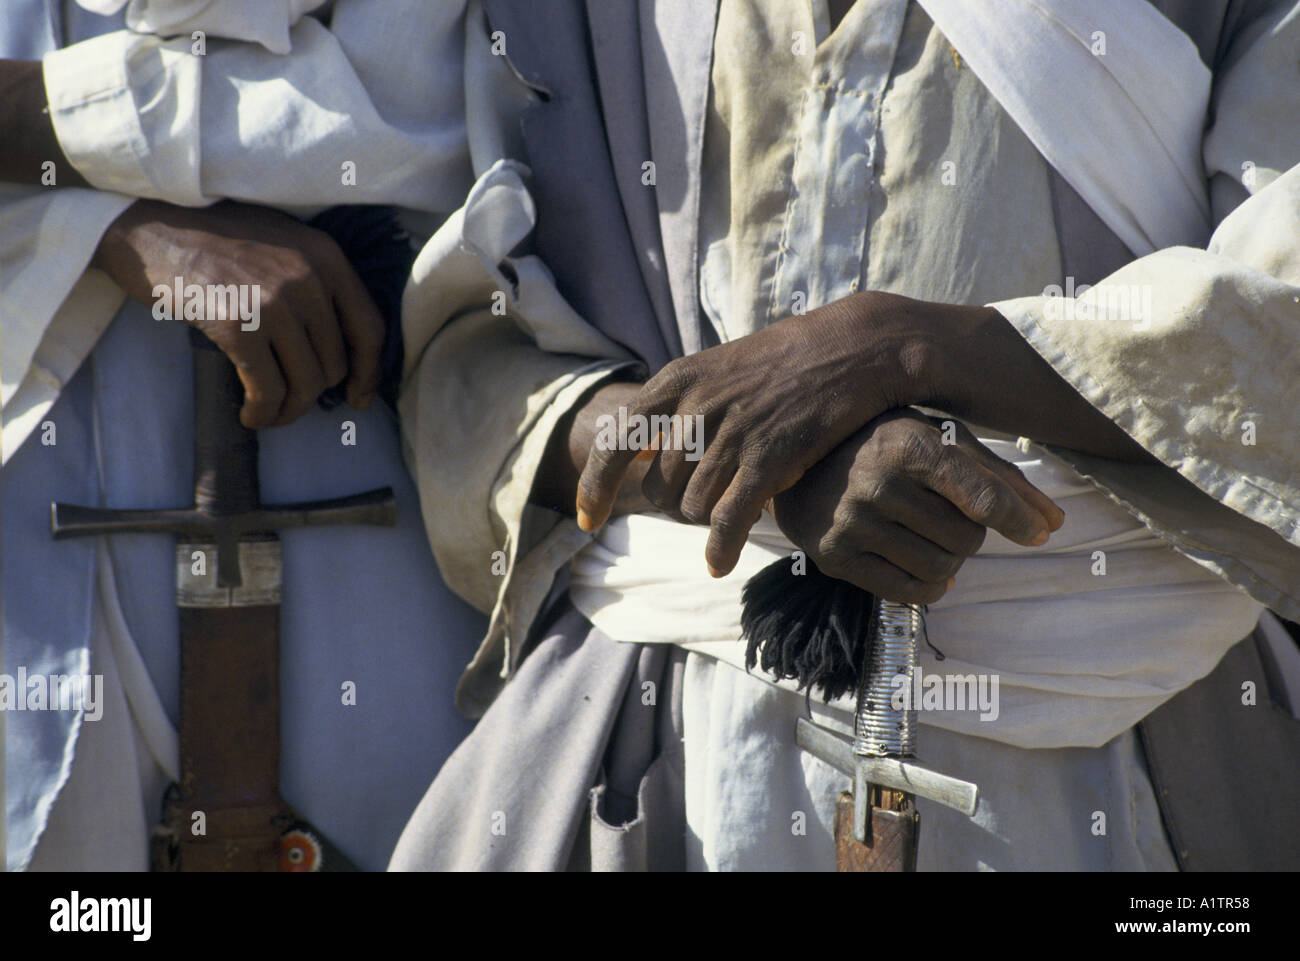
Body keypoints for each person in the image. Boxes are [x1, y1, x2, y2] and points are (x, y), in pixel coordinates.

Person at [388, 0, 1300, 870]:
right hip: (677, 742)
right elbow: (479, 357)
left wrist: (907, 348)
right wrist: (767, 468)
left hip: (1122, 743)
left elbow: (1278, 325)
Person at [1, 0, 484, 870]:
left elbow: (443, 107)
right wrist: (109, 229)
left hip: (382, 539)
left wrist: (44, 126)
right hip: (31, 572)